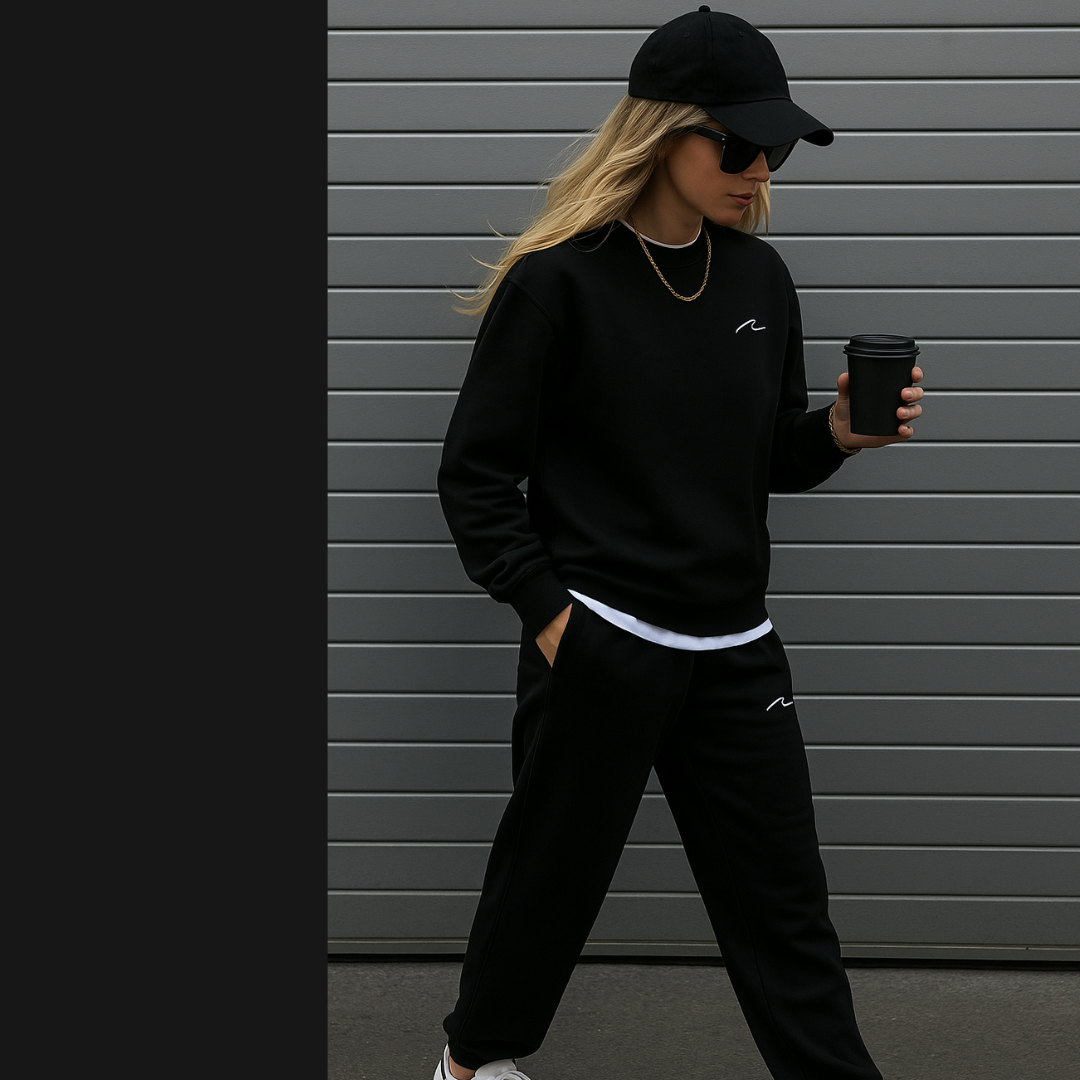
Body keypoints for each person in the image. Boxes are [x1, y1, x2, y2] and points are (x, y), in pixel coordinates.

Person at [432, 9, 923, 1080]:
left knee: (785, 906)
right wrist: (552, 619)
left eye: (776, 148)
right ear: (662, 133)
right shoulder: (558, 283)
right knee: (548, 882)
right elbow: (474, 476)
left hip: (736, 647)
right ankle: (471, 1065)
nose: (760, 170)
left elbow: (767, 457)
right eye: (739, 145)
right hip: (603, 640)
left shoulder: (759, 280)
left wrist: (838, 433)